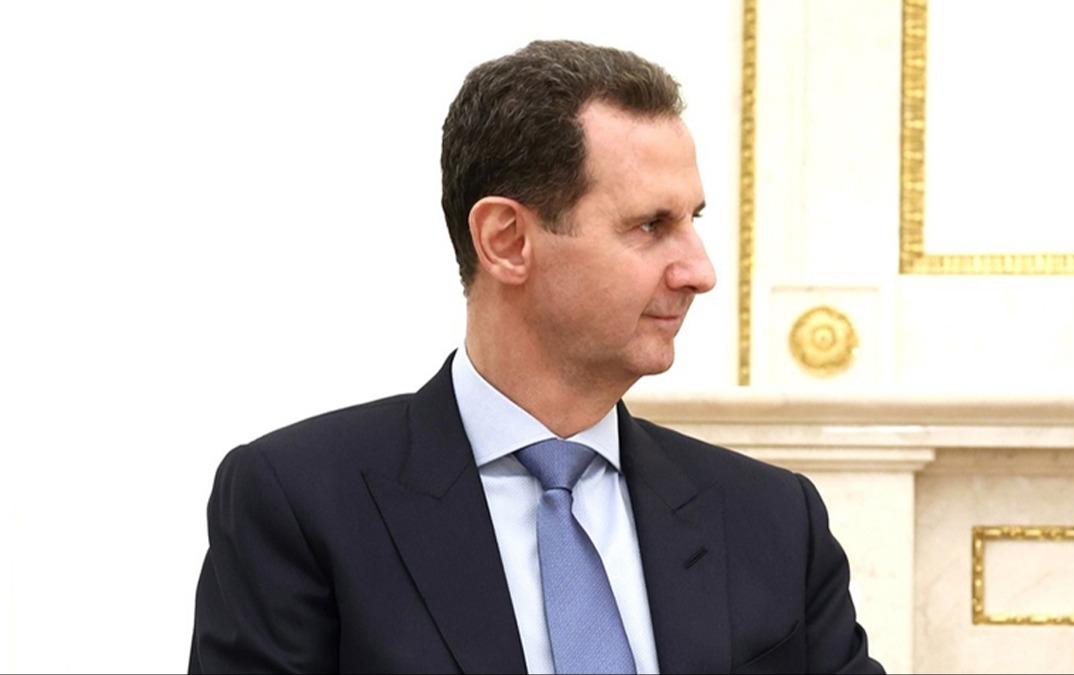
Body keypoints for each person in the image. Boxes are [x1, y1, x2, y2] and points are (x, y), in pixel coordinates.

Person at [189, 40, 882, 675]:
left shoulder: (772, 518)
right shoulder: (301, 503)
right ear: (506, 240)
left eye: (692, 221)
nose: (699, 272)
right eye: (650, 225)